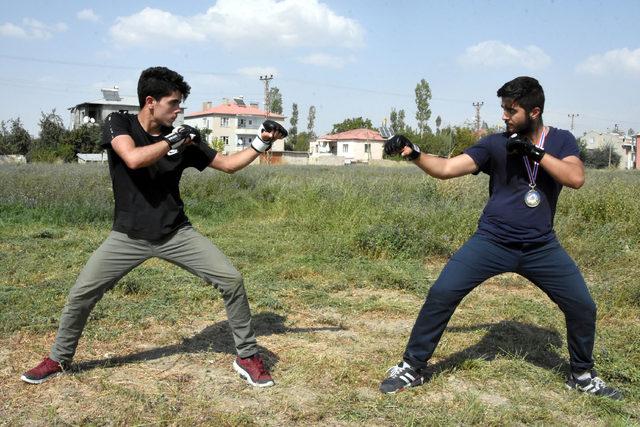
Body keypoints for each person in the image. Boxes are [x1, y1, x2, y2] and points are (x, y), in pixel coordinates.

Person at [21, 66, 286, 388]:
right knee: (81, 295)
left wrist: (261, 142)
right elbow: (132, 158)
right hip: (127, 236)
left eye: (180, 105)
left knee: (231, 280)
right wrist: (174, 140)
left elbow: (228, 165)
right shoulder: (120, 123)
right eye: (174, 104)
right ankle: (58, 358)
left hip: (176, 233)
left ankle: (246, 356)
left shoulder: (188, 139)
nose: (179, 111)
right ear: (150, 101)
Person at [379, 76, 621, 399]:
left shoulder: (561, 141)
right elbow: (448, 168)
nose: (504, 116)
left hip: (540, 246)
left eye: (511, 110)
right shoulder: (495, 144)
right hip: (491, 241)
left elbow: (575, 177)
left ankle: (582, 375)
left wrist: (534, 153)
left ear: (534, 112)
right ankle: (412, 366)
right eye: (503, 109)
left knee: (582, 306)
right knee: (442, 292)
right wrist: (414, 153)